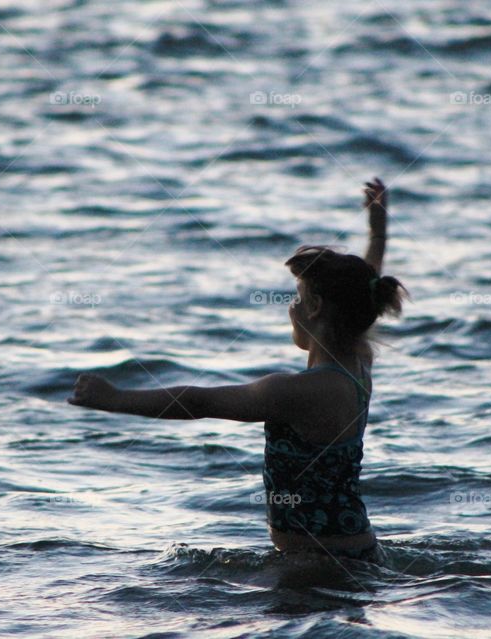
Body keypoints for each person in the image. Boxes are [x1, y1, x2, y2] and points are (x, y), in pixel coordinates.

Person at [68, 177, 407, 564]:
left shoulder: (296, 392)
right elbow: (364, 287)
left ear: (314, 308)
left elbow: (199, 401)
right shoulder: (358, 365)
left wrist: (115, 399)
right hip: (353, 551)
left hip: (320, 563)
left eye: (296, 300)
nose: (290, 310)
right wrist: (378, 232)